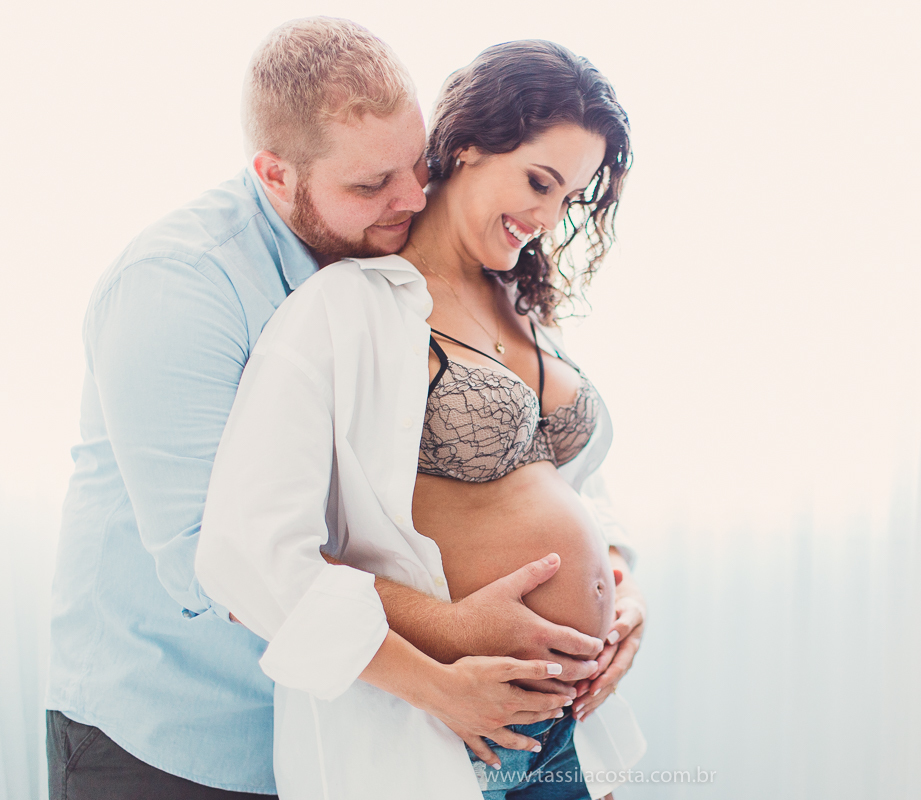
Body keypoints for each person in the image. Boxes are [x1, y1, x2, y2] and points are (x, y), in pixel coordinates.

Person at [45, 19, 623, 799]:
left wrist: (617, 583)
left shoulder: (425, 274)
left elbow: (534, 472)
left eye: (414, 165)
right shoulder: (181, 289)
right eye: (369, 186)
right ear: (275, 175)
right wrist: (443, 655)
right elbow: (215, 564)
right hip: (176, 726)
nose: (412, 198)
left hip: (380, 705)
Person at [195, 40, 646, 800]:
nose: (545, 218)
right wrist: (443, 664)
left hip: (569, 733)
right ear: (466, 145)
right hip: (448, 729)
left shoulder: (527, 313)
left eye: (567, 198)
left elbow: (576, 488)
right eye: (539, 182)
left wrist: (623, 593)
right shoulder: (346, 309)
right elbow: (248, 553)